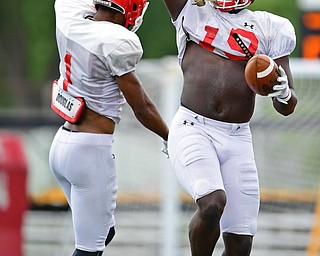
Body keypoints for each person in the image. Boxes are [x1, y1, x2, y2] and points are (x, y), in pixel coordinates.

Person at [160, 0, 298, 255]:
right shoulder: (191, 9)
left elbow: (287, 106)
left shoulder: (271, 27)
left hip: (238, 138)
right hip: (194, 126)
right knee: (212, 203)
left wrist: (284, 92)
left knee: (241, 241)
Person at [48, 0, 169, 255]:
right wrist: (171, 137)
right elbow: (143, 108)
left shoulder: (71, 16)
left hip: (61, 145)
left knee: (104, 232)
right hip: (90, 151)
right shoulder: (117, 42)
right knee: (89, 250)